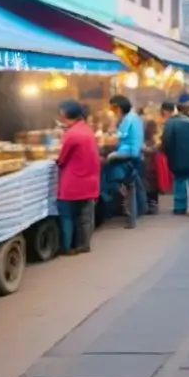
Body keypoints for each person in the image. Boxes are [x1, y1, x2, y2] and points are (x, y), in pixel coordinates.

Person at [55, 100, 99, 256]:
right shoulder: (87, 129)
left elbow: (61, 159)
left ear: (66, 116)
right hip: (90, 179)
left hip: (73, 182)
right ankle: (84, 244)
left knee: (67, 215)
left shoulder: (71, 134)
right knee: (86, 216)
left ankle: (66, 247)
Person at [103, 95, 146, 228]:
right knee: (134, 185)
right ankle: (138, 211)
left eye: (113, 108)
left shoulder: (128, 119)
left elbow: (117, 137)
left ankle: (131, 216)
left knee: (117, 181)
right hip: (134, 154)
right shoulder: (134, 118)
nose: (112, 111)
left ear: (118, 108)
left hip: (127, 155)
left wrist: (112, 155)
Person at [160, 100, 189, 217]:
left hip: (178, 159)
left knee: (179, 182)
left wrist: (168, 154)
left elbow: (166, 140)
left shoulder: (171, 123)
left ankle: (180, 207)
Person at [142, 118, 161, 215]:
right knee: (153, 185)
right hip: (154, 166)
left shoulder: (143, 139)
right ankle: (153, 204)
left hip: (146, 166)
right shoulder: (155, 139)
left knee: (147, 185)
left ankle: (149, 204)